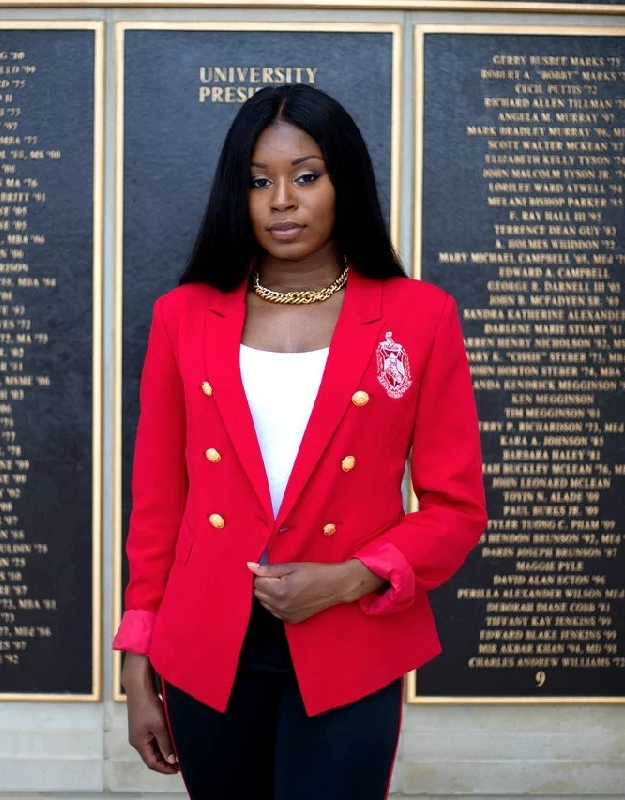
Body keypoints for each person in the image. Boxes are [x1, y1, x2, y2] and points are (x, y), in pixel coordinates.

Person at [113, 84, 487, 800]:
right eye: (259, 181)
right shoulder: (182, 317)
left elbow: (454, 507)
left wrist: (348, 577)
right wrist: (138, 659)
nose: (282, 199)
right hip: (204, 647)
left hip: (350, 638)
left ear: (344, 180)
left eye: (306, 175)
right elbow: (160, 506)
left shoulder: (419, 316)